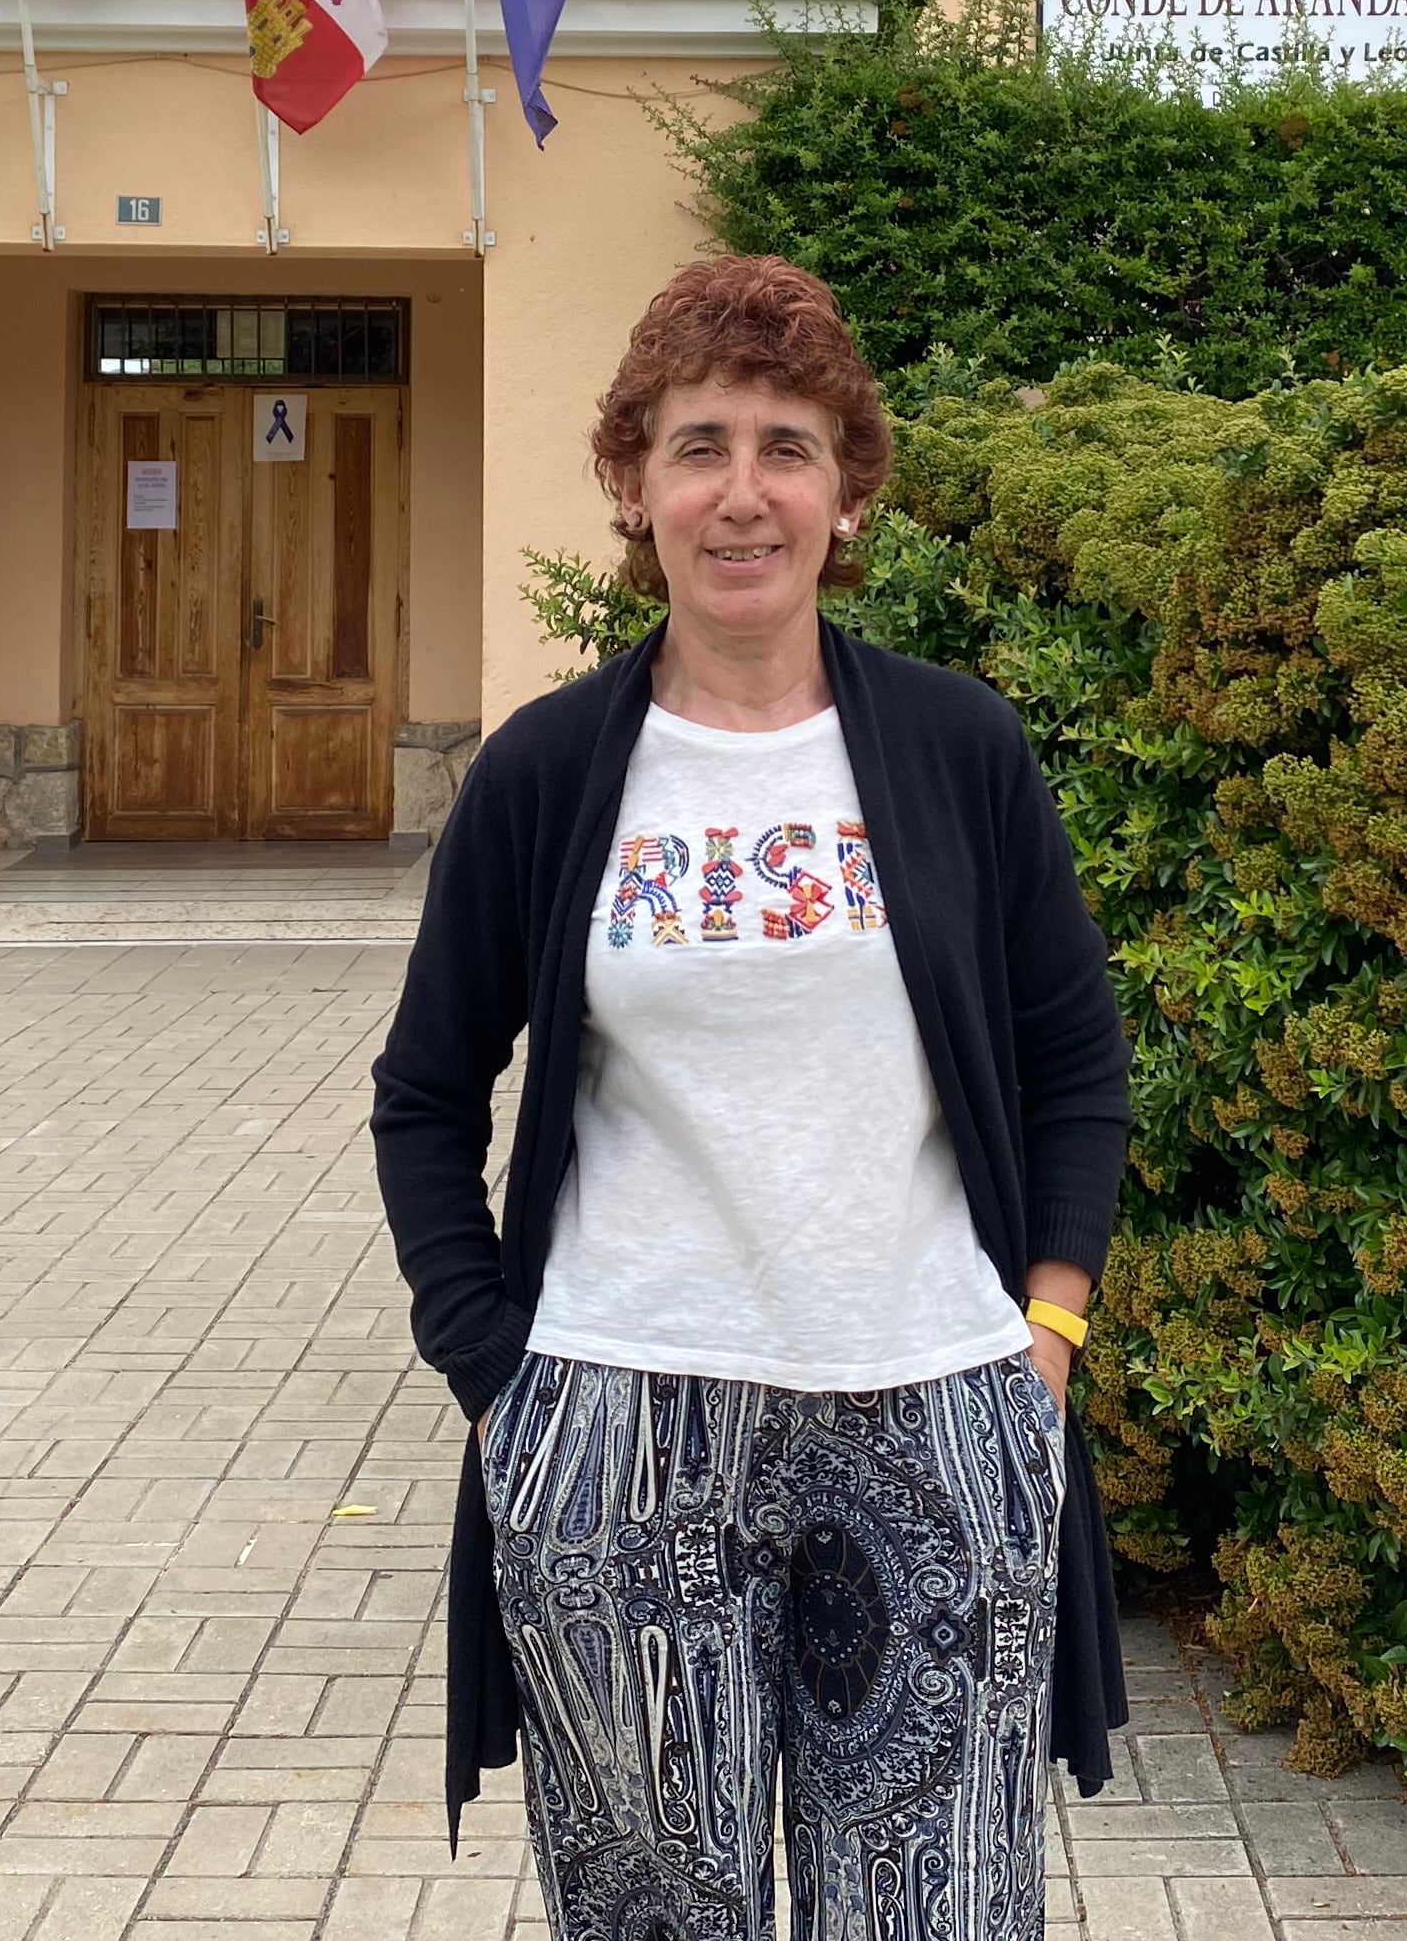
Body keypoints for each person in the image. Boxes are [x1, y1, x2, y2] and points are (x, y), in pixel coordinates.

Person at [372, 254, 1133, 1941]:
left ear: (847, 495)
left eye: (786, 447)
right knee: (659, 1918)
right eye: (697, 444)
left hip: (934, 1407)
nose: (741, 493)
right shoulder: (552, 774)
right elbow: (426, 1093)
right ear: (633, 487)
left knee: (930, 1916)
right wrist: (502, 1382)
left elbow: (1075, 1057)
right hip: (623, 1421)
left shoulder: (955, 751)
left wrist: (1049, 1338)